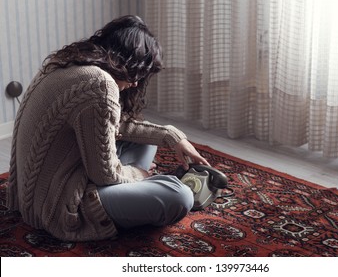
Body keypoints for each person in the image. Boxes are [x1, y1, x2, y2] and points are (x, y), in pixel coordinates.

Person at [6, 15, 210, 242]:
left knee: (149, 139)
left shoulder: (66, 63)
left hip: (36, 191)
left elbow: (114, 125)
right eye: (137, 73)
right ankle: (138, 184)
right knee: (180, 196)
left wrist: (172, 136)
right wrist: (137, 175)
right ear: (124, 60)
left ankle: (134, 183)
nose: (135, 84)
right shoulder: (101, 84)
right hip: (58, 206)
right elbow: (104, 175)